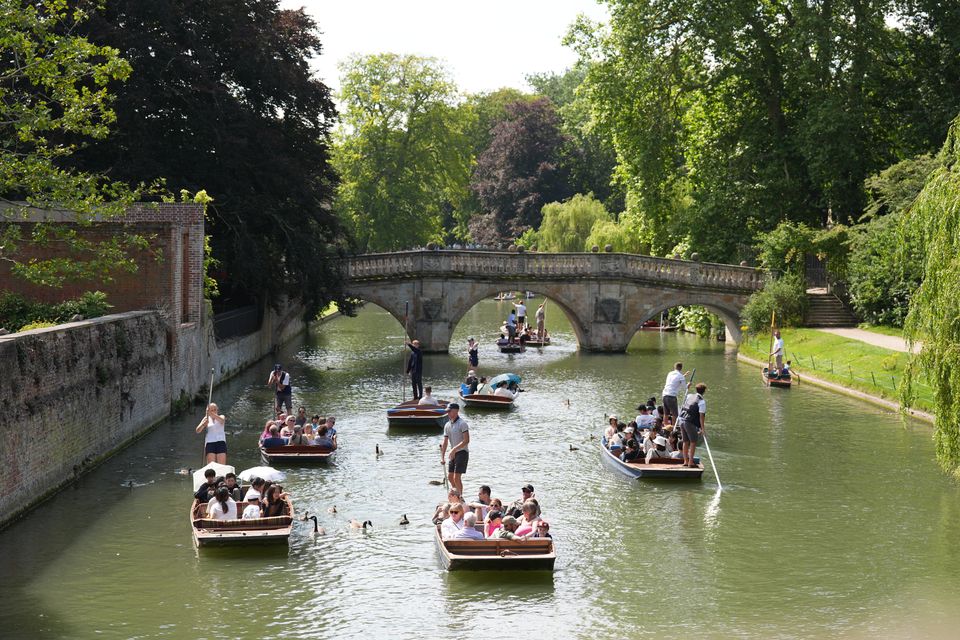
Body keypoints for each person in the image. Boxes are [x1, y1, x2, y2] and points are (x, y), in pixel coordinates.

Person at [440, 403, 470, 495]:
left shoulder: (462, 423)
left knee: (456, 478)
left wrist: (454, 449)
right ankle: (455, 495)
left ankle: (460, 497)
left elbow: (466, 440)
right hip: (453, 454)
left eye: (449, 411)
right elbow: (445, 442)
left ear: (456, 411)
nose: (448, 413)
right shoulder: (447, 425)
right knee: (450, 477)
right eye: (447, 412)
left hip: (462, 452)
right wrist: (442, 457)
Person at [679, 383, 707, 468]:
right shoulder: (702, 401)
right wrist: (703, 429)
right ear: (704, 391)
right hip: (689, 423)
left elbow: (684, 401)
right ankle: (690, 462)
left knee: (685, 441)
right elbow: (701, 417)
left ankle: (685, 461)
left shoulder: (689, 396)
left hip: (682, 420)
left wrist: (687, 387)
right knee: (693, 442)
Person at [661, 362, 689, 426]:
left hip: (664, 395)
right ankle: (673, 428)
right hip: (671, 396)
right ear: (681, 368)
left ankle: (665, 426)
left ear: (674, 367)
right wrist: (688, 384)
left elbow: (674, 381)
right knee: (675, 414)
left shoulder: (670, 373)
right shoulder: (680, 376)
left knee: (666, 413)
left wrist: (684, 376)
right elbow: (685, 387)